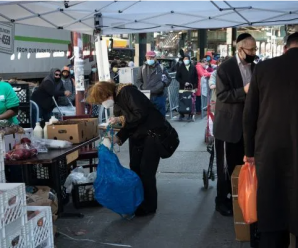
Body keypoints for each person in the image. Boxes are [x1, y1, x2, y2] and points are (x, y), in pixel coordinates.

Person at [243, 32, 298, 248]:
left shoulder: (264, 69)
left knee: (272, 207)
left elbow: (249, 115)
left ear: (285, 48)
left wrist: (249, 152)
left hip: (269, 149)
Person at [87, 81, 168, 216]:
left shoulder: (127, 92)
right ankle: (138, 201)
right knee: (135, 167)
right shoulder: (117, 101)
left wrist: (121, 119)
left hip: (152, 133)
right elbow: (126, 125)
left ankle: (148, 206)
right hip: (138, 136)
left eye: (102, 100)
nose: (103, 103)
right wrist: (118, 138)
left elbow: (141, 113)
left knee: (146, 170)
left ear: (107, 93)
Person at [213, 33, 257, 216]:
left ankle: (240, 197)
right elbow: (222, 96)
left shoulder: (255, 67)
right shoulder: (225, 68)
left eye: (255, 49)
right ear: (240, 49)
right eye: (251, 49)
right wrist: (244, 91)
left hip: (248, 127)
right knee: (225, 167)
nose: (254, 52)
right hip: (228, 127)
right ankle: (222, 200)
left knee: (242, 165)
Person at [136, 51, 171, 117]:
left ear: (155, 58)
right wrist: (142, 87)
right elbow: (138, 80)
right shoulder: (142, 68)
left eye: (151, 57)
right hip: (147, 96)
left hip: (159, 96)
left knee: (160, 116)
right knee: (148, 116)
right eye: (148, 57)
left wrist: (163, 84)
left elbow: (169, 79)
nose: (149, 59)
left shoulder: (161, 68)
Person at [175, 55, 198, 121]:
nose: (186, 60)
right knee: (182, 100)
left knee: (191, 101)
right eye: (185, 59)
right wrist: (183, 82)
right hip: (182, 87)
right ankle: (182, 113)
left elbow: (196, 77)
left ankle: (190, 114)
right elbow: (177, 77)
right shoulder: (180, 67)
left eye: (187, 58)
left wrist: (196, 86)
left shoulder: (193, 67)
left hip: (191, 87)